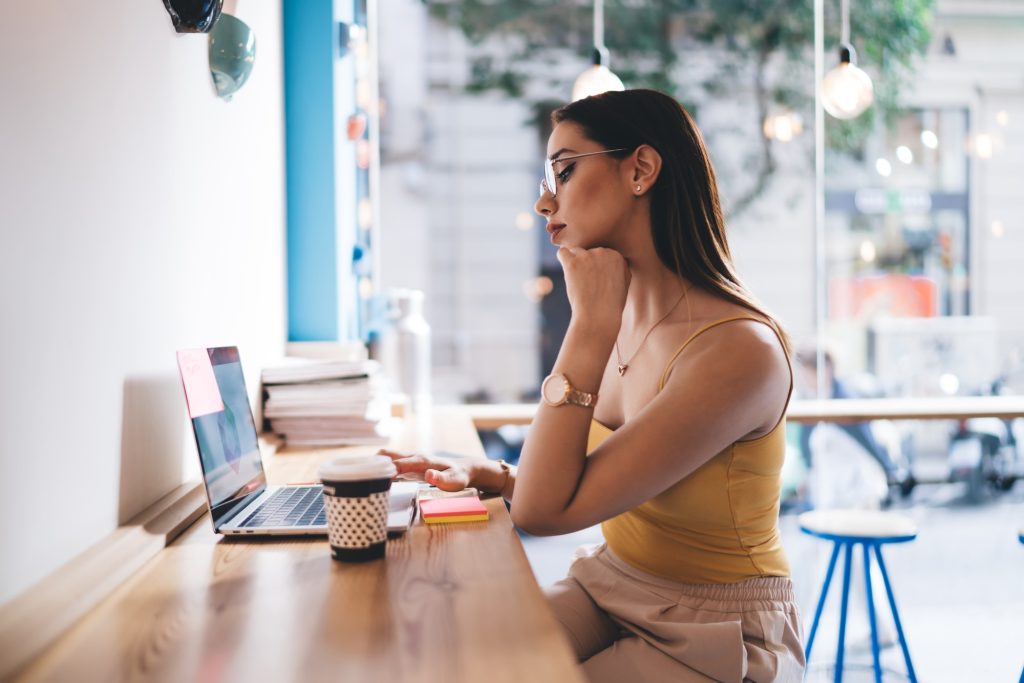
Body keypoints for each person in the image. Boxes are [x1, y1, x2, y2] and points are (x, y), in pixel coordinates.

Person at [384, 89, 804, 682]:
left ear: (640, 170)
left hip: (716, 627)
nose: (542, 201)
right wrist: (502, 477)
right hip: (613, 581)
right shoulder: (626, 313)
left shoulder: (738, 351)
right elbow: (587, 485)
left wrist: (589, 326)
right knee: (455, 651)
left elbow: (542, 513)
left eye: (563, 170)